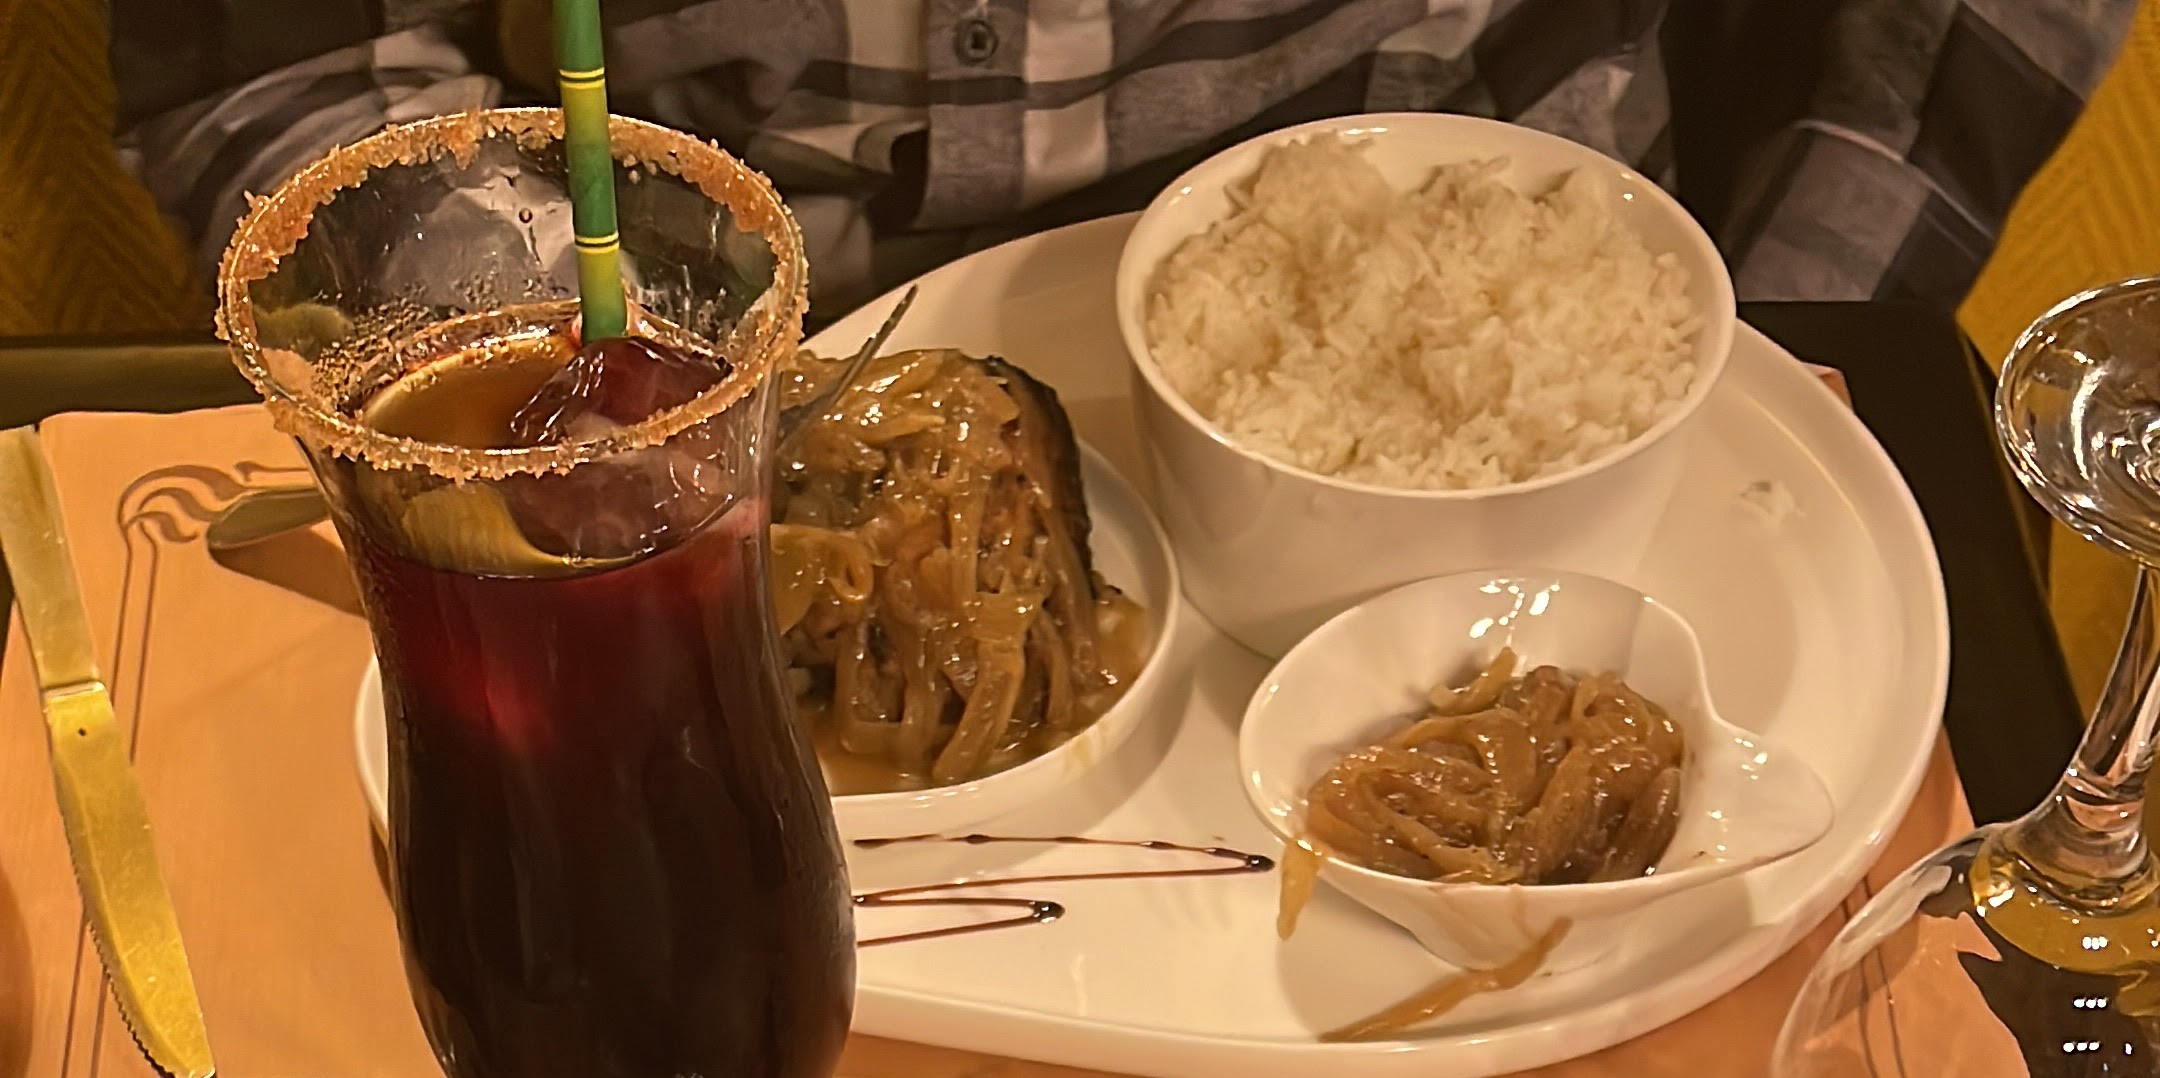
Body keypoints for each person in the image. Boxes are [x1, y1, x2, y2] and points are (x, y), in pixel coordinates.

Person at [109, 0, 2135, 320]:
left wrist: (1760, 352)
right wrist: (591, 395)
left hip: (1506, 332)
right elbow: (283, 51)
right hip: (700, 368)